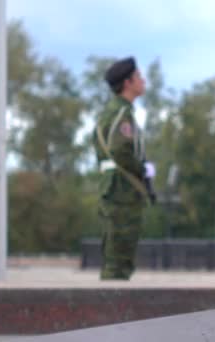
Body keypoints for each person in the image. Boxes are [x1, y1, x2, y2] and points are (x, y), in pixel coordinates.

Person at [92, 56, 156, 280]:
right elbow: (120, 150)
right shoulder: (121, 114)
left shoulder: (116, 112)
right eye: (138, 76)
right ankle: (113, 312)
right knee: (118, 262)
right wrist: (142, 169)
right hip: (121, 192)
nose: (143, 80)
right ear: (127, 83)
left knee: (117, 258)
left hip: (118, 191)